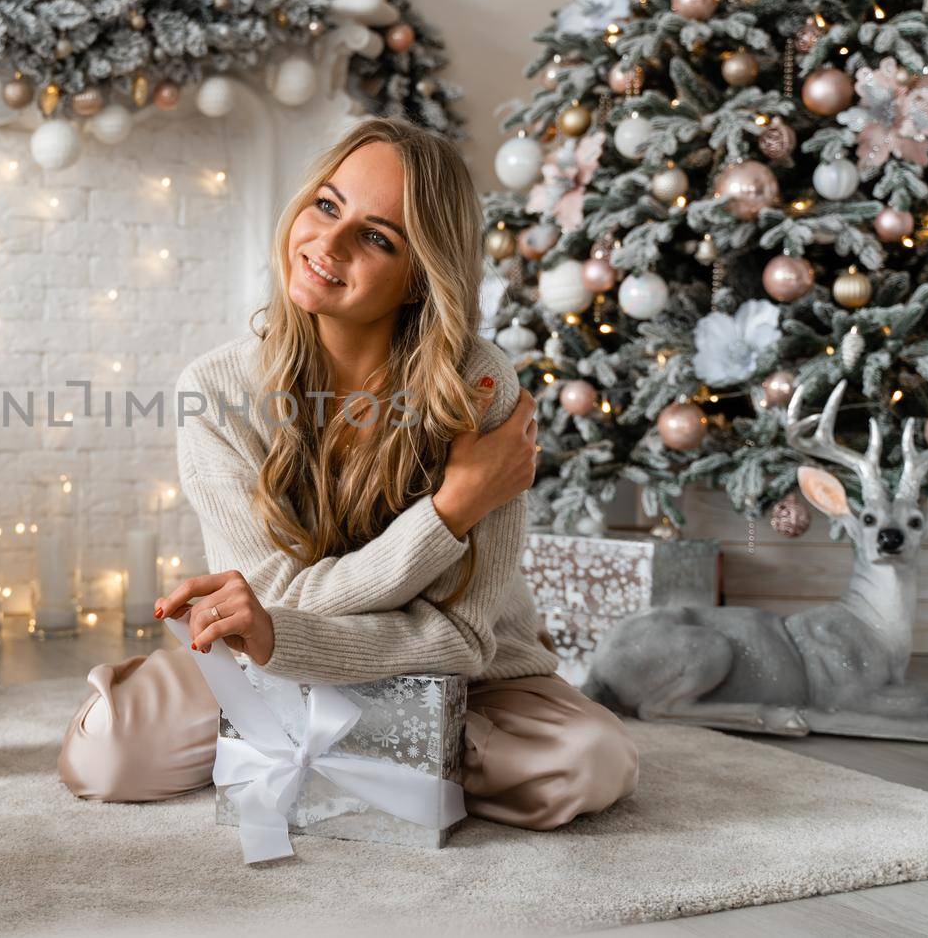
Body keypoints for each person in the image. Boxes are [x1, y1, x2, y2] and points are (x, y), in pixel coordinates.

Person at [57, 117, 638, 830]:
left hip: (460, 675)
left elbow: (459, 636)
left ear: (420, 280)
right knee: (103, 757)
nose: (327, 244)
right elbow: (265, 614)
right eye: (327, 205)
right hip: (266, 665)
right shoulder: (216, 390)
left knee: (588, 762)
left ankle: (339, 749)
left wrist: (286, 630)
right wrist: (448, 510)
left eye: (377, 236)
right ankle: (382, 757)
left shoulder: (479, 389)